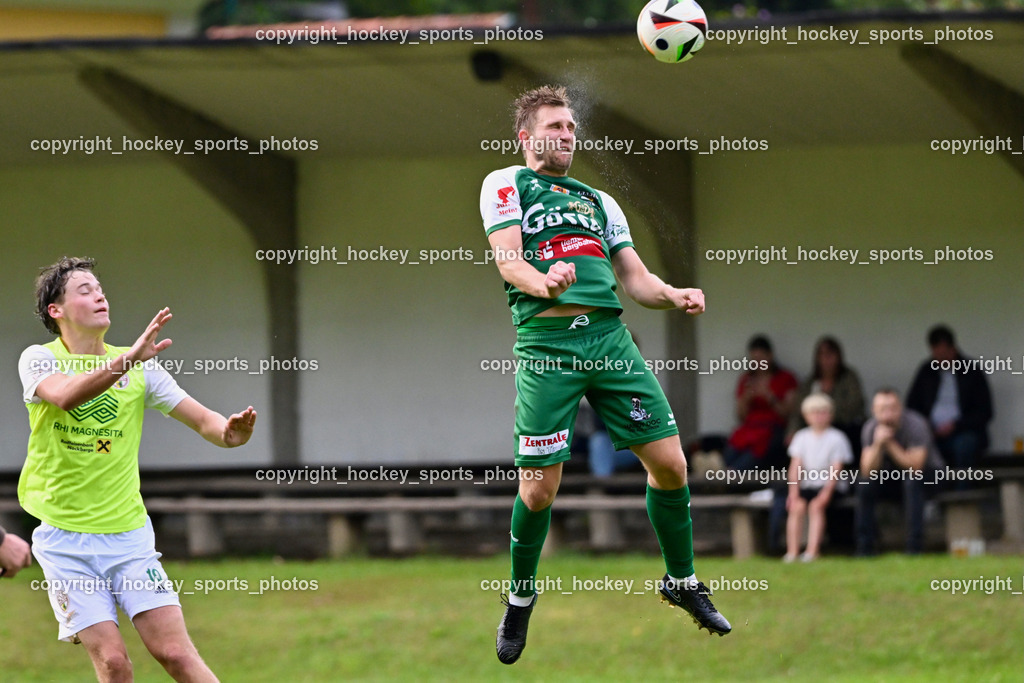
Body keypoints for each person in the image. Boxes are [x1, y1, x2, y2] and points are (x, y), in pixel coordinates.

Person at [480, 85, 730, 665]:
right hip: (547, 346)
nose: (567, 135)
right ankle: (520, 597)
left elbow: (635, 279)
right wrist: (543, 282)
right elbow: (509, 259)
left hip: (610, 341)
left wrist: (673, 293)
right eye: (555, 126)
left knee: (671, 465)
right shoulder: (505, 183)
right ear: (525, 136)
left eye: (571, 126)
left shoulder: (598, 201)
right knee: (539, 489)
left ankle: (682, 580)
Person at [19, 257, 257, 682]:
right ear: (56, 310)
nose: (100, 296)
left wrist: (229, 433)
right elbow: (65, 396)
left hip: (128, 537)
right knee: (113, 663)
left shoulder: (141, 367)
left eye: (100, 288)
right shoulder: (39, 359)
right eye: (85, 290)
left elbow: (205, 421)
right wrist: (129, 359)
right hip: (65, 540)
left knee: (176, 654)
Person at [856, 388, 942, 555]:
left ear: (900, 408)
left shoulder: (916, 424)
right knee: (864, 484)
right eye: (882, 409)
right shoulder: (870, 428)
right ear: (873, 411)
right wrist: (878, 444)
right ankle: (864, 548)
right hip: (894, 478)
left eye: (892, 408)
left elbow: (916, 467)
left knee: (912, 481)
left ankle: (914, 547)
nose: (888, 414)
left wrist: (890, 444)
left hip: (930, 476)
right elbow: (867, 470)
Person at [906, 325, 992, 486]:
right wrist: (925, 425)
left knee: (965, 445)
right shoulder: (926, 371)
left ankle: (963, 493)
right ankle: (930, 492)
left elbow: (985, 411)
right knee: (916, 447)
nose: (940, 358)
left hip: (962, 432)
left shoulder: (971, 371)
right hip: (931, 433)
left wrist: (956, 425)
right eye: (936, 354)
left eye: (944, 353)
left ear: (953, 349)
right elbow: (912, 406)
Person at [784, 394, 853, 562]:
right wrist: (793, 493)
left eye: (823, 412)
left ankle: (812, 551)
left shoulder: (837, 438)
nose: (819, 416)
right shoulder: (801, 437)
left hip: (831, 487)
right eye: (814, 412)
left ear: (831, 414)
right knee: (797, 507)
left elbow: (836, 469)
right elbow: (795, 467)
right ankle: (792, 552)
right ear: (806, 416)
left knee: (816, 506)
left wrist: (826, 493)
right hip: (808, 486)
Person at [723, 335, 798, 471]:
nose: (758, 364)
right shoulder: (746, 380)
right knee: (728, 457)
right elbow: (740, 416)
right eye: (754, 360)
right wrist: (746, 399)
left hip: (773, 432)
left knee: (741, 465)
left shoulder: (786, 378)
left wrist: (770, 397)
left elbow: (790, 413)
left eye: (761, 359)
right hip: (749, 430)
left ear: (770, 356)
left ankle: (729, 476)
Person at [787, 336, 865, 454]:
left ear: (838, 356)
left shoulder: (849, 378)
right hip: (814, 427)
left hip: (844, 426)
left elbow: (854, 405)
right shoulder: (811, 382)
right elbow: (798, 410)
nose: (826, 358)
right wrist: (792, 430)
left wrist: (825, 415)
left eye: (830, 354)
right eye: (822, 354)